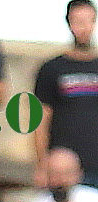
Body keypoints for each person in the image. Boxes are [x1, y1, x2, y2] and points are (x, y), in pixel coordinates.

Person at [36, 1, 98, 181]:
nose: (83, 28)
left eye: (88, 21)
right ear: (69, 23)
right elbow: (41, 121)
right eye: (78, 21)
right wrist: (42, 165)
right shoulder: (52, 68)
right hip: (63, 168)